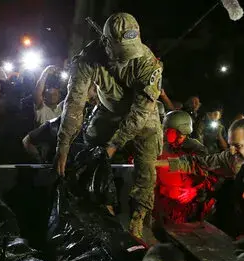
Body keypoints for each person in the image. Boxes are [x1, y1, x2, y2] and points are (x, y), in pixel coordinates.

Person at [54, 12, 163, 241]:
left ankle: (138, 218)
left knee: (147, 166)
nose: (126, 58)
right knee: (89, 150)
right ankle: (93, 203)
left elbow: (140, 113)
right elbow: (74, 104)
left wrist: (114, 145)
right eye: (121, 52)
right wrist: (63, 145)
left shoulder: (148, 63)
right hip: (107, 110)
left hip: (142, 116)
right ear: (106, 44)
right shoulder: (88, 59)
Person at [157, 118, 244, 237]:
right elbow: (199, 163)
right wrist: (157, 163)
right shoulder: (232, 158)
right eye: (230, 145)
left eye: (237, 146)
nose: (232, 151)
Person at [155, 111, 218, 225]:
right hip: (164, 202)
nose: (165, 132)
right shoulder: (162, 147)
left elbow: (210, 176)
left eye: (168, 130)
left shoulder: (195, 149)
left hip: (185, 207)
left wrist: (194, 191)